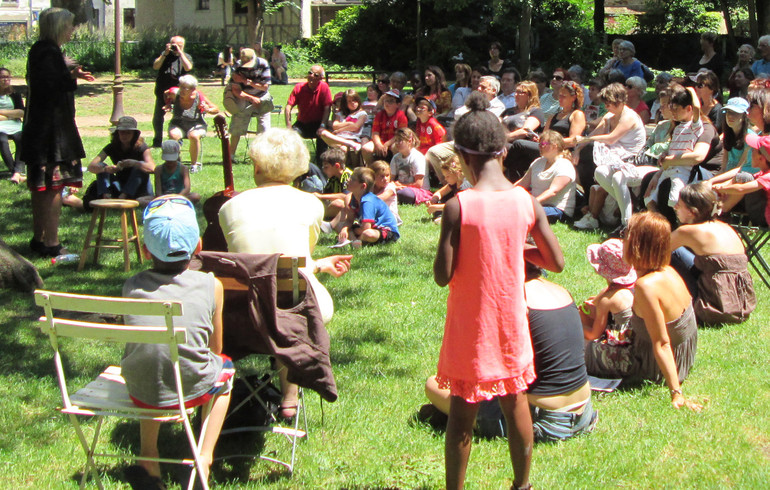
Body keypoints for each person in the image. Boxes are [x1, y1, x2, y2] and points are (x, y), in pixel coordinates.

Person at [433, 94, 565, 490]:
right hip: (511, 320)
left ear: (461, 155)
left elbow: (443, 275)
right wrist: (515, 246)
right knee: (515, 401)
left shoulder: (460, 206)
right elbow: (555, 262)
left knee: (462, 411)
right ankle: (522, 485)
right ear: (504, 150)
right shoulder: (525, 200)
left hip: (469, 325)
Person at [218, 128, 352, 418]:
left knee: (277, 293)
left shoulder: (228, 209)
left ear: (256, 165)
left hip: (241, 315)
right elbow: (298, 259)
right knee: (288, 293)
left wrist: (316, 264)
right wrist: (318, 265)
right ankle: (289, 398)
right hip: (296, 310)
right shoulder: (311, 205)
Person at [121, 195, 232, 487]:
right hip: (191, 384)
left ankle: (148, 456)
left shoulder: (131, 287)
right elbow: (216, 350)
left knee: (150, 362)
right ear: (198, 246)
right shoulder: (211, 285)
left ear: (146, 251)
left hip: (141, 386)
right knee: (226, 371)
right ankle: (204, 458)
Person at [424, 259, 597, 443]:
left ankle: (453, 415)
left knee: (433, 384)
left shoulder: (514, 301)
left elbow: (483, 370)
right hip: (584, 414)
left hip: (543, 422)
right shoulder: (562, 292)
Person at [584, 212, 702, 412]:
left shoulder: (646, 286)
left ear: (637, 245)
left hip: (652, 364)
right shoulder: (669, 271)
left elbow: (662, 343)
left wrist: (676, 392)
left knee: (578, 346)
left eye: (626, 235)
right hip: (682, 357)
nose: (622, 239)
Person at [22, 7, 94, 258]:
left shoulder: (43, 51)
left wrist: (71, 75)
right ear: (59, 27)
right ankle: (51, 243)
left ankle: (40, 239)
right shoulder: (48, 53)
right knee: (53, 186)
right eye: (69, 25)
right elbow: (50, 88)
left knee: (43, 186)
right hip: (51, 133)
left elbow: (50, 83)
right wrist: (70, 78)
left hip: (45, 130)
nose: (72, 30)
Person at [670, 182, 756, 325]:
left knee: (665, 254)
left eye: (679, 204)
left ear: (692, 211)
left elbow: (653, 252)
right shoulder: (725, 226)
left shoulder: (688, 232)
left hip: (713, 308)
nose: (675, 208)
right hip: (741, 306)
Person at [572, 83, 647, 230]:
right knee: (599, 171)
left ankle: (627, 223)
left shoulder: (629, 117)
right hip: (615, 160)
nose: (606, 107)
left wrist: (587, 141)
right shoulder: (609, 116)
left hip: (632, 162)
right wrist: (578, 149)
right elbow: (593, 135)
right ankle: (622, 206)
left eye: (608, 104)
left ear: (618, 101)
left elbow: (611, 138)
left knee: (617, 177)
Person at [645, 85, 714, 215]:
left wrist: (691, 91)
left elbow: (697, 107)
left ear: (688, 109)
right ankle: (661, 224)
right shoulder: (677, 128)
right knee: (649, 198)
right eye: (672, 110)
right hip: (669, 168)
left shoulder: (695, 126)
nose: (673, 113)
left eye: (676, 110)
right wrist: (666, 154)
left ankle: (680, 223)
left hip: (681, 169)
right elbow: (673, 148)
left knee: (675, 200)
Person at [83, 116, 155, 209]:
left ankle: (124, 196)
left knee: (140, 166)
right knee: (101, 166)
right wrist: (106, 169)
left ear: (134, 134)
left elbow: (152, 168)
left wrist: (134, 163)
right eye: (122, 132)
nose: (124, 136)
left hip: (139, 188)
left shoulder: (142, 147)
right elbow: (91, 166)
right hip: (120, 185)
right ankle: (105, 196)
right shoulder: (112, 147)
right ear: (117, 133)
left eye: (128, 133)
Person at [579, 239, 636, 341]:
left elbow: (593, 335)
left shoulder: (608, 299)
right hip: (637, 340)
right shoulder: (636, 286)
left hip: (624, 348)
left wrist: (575, 324)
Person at [515, 130, 577, 222]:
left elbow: (553, 191)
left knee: (522, 211)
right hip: (538, 205)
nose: (539, 146)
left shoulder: (564, 165)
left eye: (543, 143)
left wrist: (532, 203)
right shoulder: (538, 162)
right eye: (539, 144)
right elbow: (522, 183)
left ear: (554, 146)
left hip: (557, 209)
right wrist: (507, 193)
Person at [223, 47, 273, 159]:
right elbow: (236, 90)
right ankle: (230, 156)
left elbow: (265, 87)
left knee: (264, 128)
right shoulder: (237, 66)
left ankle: (262, 156)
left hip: (262, 96)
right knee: (237, 127)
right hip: (244, 97)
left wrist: (248, 83)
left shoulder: (263, 64)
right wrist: (251, 98)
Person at [165, 75, 218, 174]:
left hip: (196, 124)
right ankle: (176, 163)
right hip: (178, 123)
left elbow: (216, 109)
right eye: (180, 86)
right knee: (173, 135)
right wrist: (168, 104)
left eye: (185, 88)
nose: (181, 90)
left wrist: (208, 109)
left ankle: (194, 165)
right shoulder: (175, 93)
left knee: (193, 136)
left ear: (193, 89)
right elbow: (165, 93)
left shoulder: (199, 97)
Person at [713, 133, 770, 226]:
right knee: (742, 177)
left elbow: (742, 188)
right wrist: (723, 188)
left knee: (745, 178)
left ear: (761, 158)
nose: (749, 152)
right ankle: (719, 210)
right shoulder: (763, 173)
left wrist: (721, 188)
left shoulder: (768, 177)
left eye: (752, 150)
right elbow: (738, 179)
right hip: (760, 212)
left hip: (765, 219)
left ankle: (721, 212)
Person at [336, 167, 399, 248]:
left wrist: (353, 230)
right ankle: (355, 242)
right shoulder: (354, 197)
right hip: (367, 228)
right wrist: (345, 229)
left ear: (363, 186)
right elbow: (349, 220)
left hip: (385, 231)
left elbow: (365, 229)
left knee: (368, 234)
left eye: (352, 179)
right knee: (340, 225)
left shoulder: (368, 201)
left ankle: (355, 241)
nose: (348, 180)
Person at [284, 64, 333, 164]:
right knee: (291, 136)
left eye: (315, 75)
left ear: (321, 78)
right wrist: (288, 126)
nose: (311, 76)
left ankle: (321, 164)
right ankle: (294, 163)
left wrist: (322, 125)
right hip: (302, 124)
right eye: (310, 73)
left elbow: (327, 108)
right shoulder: (299, 87)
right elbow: (288, 107)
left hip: (318, 123)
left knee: (323, 135)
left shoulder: (324, 87)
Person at [152, 35, 193, 148]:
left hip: (180, 94)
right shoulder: (164, 55)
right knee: (157, 118)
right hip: (162, 92)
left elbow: (188, 67)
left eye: (179, 45)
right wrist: (165, 53)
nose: (176, 48)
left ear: (183, 46)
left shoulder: (186, 56)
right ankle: (157, 141)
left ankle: (178, 140)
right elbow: (155, 66)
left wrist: (180, 53)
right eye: (174, 45)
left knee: (179, 117)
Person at [361, 89, 408, 165]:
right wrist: (378, 144)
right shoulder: (379, 115)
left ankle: (396, 171)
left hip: (394, 141)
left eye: (391, 101)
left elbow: (400, 135)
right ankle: (372, 169)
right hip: (381, 141)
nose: (387, 103)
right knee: (366, 148)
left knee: (395, 147)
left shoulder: (401, 116)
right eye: (386, 101)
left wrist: (387, 144)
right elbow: (375, 133)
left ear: (398, 104)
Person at [390, 127, 432, 204]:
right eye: (396, 140)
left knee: (403, 193)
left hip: (419, 191)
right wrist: (392, 184)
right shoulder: (396, 158)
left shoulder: (417, 157)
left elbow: (418, 184)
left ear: (409, 141)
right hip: (401, 187)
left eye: (400, 141)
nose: (397, 143)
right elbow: (390, 178)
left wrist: (401, 186)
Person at [426, 156, 471, 222]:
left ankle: (445, 218)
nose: (445, 179)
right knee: (440, 199)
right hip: (456, 208)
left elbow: (458, 205)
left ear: (457, 173)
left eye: (447, 176)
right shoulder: (454, 183)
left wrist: (436, 207)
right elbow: (440, 192)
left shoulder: (465, 186)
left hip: (465, 210)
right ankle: (441, 216)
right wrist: (433, 200)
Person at [0, 67, 24, 184]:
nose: (6, 79)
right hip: (1, 127)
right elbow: (16, 113)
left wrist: (3, 113)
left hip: (15, 124)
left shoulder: (15, 94)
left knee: (21, 139)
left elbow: (21, 113)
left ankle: (17, 173)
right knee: (2, 141)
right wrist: (12, 114)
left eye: (8, 77)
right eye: (3, 77)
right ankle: (14, 171)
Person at [314, 148, 352, 220]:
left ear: (337, 166)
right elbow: (326, 194)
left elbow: (345, 196)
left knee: (338, 204)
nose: (324, 170)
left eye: (326, 167)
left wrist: (321, 196)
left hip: (350, 208)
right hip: (334, 205)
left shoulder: (347, 176)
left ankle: (319, 216)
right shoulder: (333, 178)